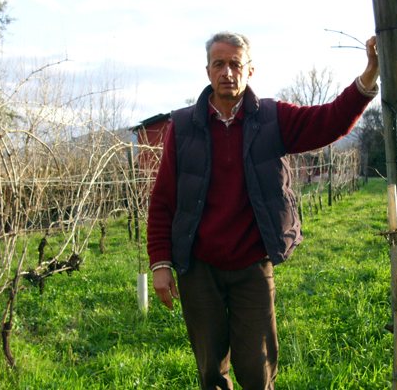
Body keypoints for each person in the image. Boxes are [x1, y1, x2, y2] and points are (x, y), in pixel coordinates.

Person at [147, 31, 379, 390]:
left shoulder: (273, 118)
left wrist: (370, 74)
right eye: (219, 64)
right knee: (211, 371)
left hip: (252, 264)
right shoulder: (182, 128)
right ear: (207, 70)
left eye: (236, 64)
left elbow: (329, 120)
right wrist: (160, 263)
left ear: (250, 71)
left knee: (257, 369)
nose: (228, 72)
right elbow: (163, 200)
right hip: (199, 267)